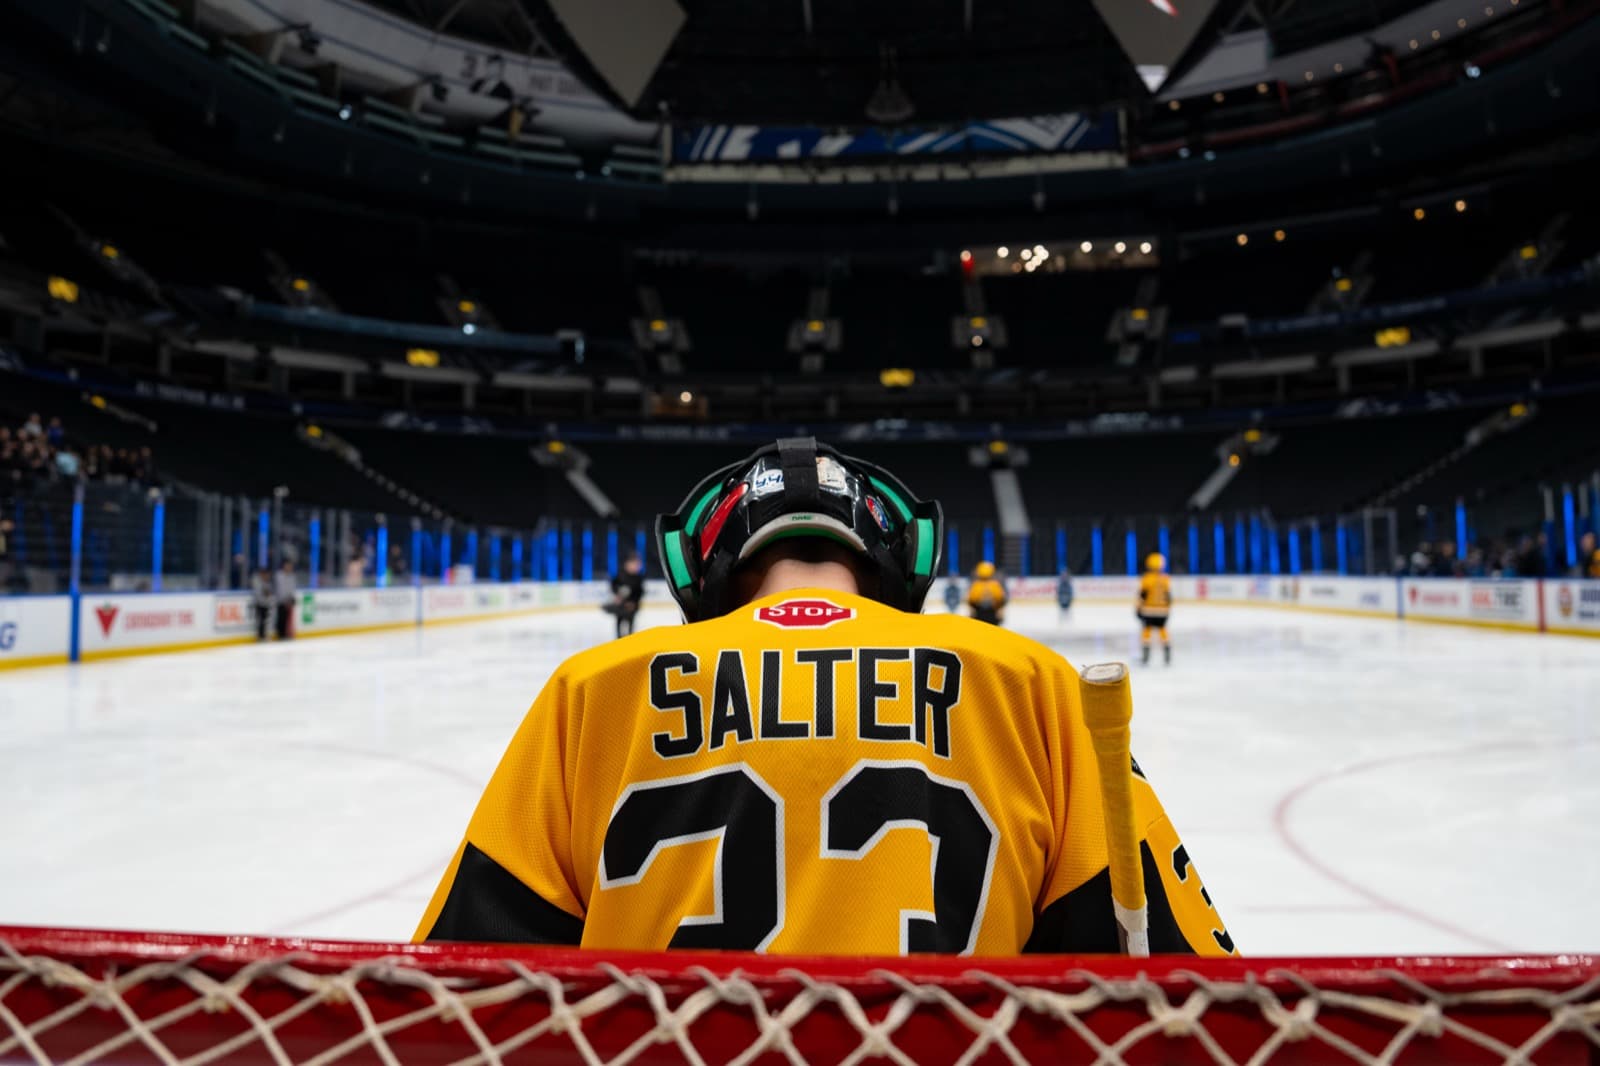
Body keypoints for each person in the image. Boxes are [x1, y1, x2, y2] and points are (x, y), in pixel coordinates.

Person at [417, 437, 1232, 956]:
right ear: (897, 562)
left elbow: (468, 987)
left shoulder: (592, 690)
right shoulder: (1031, 682)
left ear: (703, 570)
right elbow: (1168, 971)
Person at [1138, 553, 1172, 666]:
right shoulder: (1165, 579)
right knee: (1162, 629)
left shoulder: (1146, 579)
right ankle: (1167, 652)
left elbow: (1143, 595)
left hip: (1148, 610)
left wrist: (1138, 608)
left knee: (1147, 630)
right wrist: (1167, 609)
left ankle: (1145, 655)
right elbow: (1168, 596)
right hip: (1162, 611)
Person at [606, 553, 645, 637]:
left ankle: (630, 640)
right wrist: (618, 594)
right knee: (619, 623)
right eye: (635, 564)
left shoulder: (638, 578)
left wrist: (633, 602)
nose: (637, 566)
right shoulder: (621, 575)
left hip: (632, 606)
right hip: (621, 605)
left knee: (630, 625)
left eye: (637, 565)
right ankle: (619, 639)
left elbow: (640, 592)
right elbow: (613, 585)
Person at [966, 560, 1007, 625]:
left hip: (980, 614)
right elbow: (1001, 600)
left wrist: (971, 612)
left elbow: (970, 601)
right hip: (991, 614)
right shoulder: (995, 585)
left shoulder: (976, 585)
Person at [273, 558, 297, 641]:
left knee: (287, 618)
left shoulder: (292, 576)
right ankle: (281, 635)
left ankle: (287, 634)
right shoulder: (279, 576)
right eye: (288, 566)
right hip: (280, 601)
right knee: (281, 618)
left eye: (290, 566)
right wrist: (285, 599)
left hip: (288, 601)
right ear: (284, 566)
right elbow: (280, 589)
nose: (289, 568)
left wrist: (291, 598)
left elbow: (291, 588)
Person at [250, 566, 275, 641]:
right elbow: (259, 593)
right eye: (266, 574)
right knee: (261, 621)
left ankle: (263, 635)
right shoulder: (257, 581)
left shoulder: (267, 582)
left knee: (265, 621)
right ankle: (260, 636)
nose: (268, 576)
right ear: (262, 574)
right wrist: (265, 593)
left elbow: (269, 592)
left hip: (265, 603)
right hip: (259, 603)